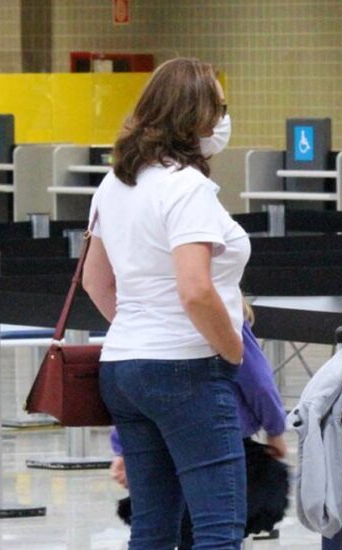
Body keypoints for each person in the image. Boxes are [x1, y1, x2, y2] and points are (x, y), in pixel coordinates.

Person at [83, 57, 250, 549]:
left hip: (123, 367)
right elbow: (195, 289)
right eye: (218, 107)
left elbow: (96, 281)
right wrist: (231, 350)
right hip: (186, 368)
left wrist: (141, 328)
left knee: (152, 527)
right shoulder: (187, 188)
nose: (222, 119)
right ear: (194, 116)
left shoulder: (114, 183)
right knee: (219, 526)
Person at [110, 307, 289, 548]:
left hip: (150, 421)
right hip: (211, 431)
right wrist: (275, 429)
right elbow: (259, 383)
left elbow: (134, 389)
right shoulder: (222, 314)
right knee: (217, 528)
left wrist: (124, 447)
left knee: (152, 529)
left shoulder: (142, 313)